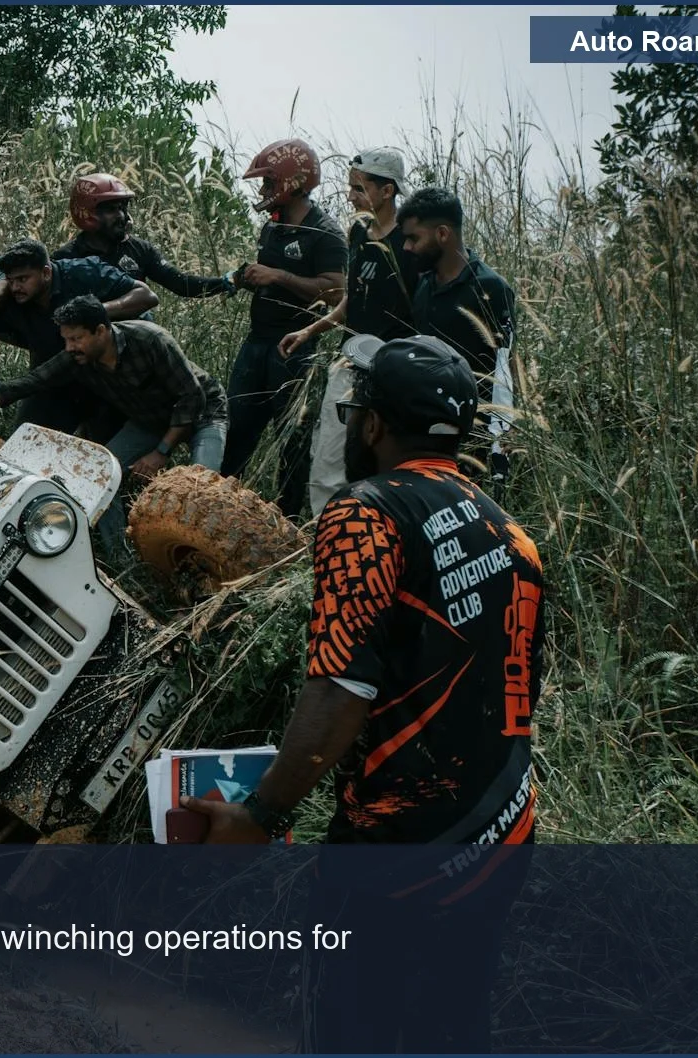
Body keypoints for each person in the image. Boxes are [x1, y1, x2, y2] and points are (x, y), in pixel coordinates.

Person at [182, 334, 544, 1052]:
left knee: (351, 1025)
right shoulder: (513, 534)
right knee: (453, 1025)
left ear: (372, 424)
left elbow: (338, 692)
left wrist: (259, 815)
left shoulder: (367, 513)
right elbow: (521, 679)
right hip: (506, 826)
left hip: (396, 845)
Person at [0, 296, 226, 563]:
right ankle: (125, 561)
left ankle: (210, 560)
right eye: (66, 339)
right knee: (100, 477)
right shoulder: (77, 359)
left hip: (203, 410)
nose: (69, 347)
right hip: (150, 420)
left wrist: (161, 451)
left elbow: (193, 396)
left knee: (198, 487)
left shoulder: (150, 340)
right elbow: (24, 384)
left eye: (76, 338)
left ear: (101, 331)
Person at [279, 148, 421, 518]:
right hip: (348, 363)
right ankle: (326, 534)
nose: (350, 197)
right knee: (328, 455)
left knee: (381, 461)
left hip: (393, 371)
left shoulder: (411, 244)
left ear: (386, 190)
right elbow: (352, 301)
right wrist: (310, 330)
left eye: (358, 189)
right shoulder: (358, 232)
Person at [221, 138, 347, 519]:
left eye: (268, 183)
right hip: (256, 344)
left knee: (292, 440)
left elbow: (335, 290)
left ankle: (289, 520)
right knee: (236, 428)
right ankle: (221, 505)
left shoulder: (325, 232)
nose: (263, 192)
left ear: (290, 182)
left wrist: (278, 275)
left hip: (294, 349)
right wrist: (249, 278)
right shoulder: (271, 228)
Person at [0, 238, 155, 429]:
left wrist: (89, 314)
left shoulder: (82, 272)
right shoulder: (12, 301)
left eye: (24, 279)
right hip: (57, 373)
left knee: (108, 449)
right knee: (26, 436)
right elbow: (18, 382)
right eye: (12, 280)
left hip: (113, 373)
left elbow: (146, 296)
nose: (16, 287)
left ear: (46, 273)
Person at [398, 186, 518, 487]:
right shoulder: (423, 284)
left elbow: (507, 363)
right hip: (421, 428)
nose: (407, 248)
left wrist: (507, 432)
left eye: (414, 238)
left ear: (442, 234)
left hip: (471, 437)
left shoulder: (491, 288)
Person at [53, 173, 237, 299]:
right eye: (111, 210)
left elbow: (183, 285)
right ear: (87, 214)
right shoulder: (65, 259)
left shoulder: (139, 250)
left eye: (122, 208)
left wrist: (225, 282)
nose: (121, 216)